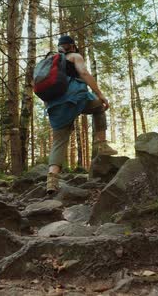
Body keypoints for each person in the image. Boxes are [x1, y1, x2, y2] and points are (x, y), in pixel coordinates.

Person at [45, 35, 117, 195]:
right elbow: (83, 73)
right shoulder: (75, 56)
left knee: (59, 142)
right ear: (72, 46)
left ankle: (52, 179)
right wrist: (100, 94)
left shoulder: (51, 62)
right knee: (99, 106)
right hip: (75, 99)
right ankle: (102, 144)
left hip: (55, 106)